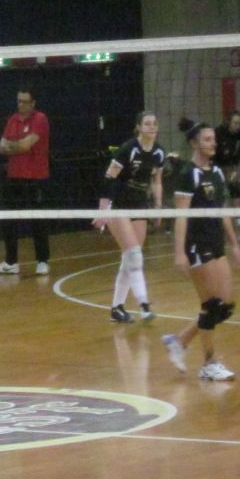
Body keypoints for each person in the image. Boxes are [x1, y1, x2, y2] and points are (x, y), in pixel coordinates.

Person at [161, 118, 240, 381]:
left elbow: (222, 211)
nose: (213, 143)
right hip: (197, 244)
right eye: (208, 140)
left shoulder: (216, 172)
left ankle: (179, 341)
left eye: (213, 139)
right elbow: (181, 216)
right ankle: (209, 364)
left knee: (225, 306)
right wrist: (179, 253)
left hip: (216, 243)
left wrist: (234, 244)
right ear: (194, 143)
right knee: (211, 305)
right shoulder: (188, 173)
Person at [92, 111, 165, 323]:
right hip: (119, 205)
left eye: (154, 123)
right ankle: (144, 304)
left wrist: (159, 208)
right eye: (147, 124)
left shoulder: (159, 152)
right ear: (138, 127)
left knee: (130, 257)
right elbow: (108, 177)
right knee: (134, 254)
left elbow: (157, 181)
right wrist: (103, 210)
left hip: (139, 205)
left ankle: (117, 308)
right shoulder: (128, 149)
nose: (152, 127)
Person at [0, 88, 51, 276]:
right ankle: (11, 262)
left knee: (37, 220)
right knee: (9, 220)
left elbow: (26, 145)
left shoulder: (40, 119)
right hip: (14, 176)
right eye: (18, 101)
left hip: (36, 178)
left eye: (24, 101)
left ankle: (42, 261)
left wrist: (14, 146)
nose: (20, 105)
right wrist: (18, 146)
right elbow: (1, 147)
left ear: (33, 103)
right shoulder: (13, 120)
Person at [214, 110, 240, 231]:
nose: (238, 126)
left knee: (235, 187)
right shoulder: (219, 132)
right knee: (217, 192)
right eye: (235, 123)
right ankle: (216, 220)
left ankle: (239, 218)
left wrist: (234, 165)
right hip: (215, 164)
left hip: (229, 164)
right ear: (228, 122)